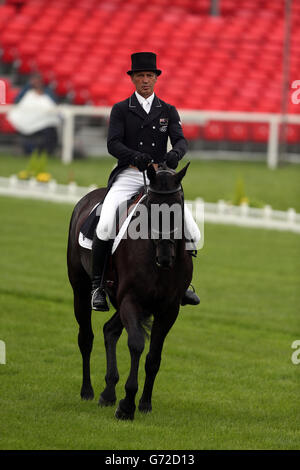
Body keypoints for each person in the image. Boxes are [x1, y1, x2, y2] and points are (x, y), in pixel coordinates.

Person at [91, 52, 201, 311]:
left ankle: (183, 285)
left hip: (160, 177)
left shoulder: (168, 110)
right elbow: (112, 143)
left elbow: (181, 139)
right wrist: (134, 156)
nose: (145, 80)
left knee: (193, 231)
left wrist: (176, 153)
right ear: (132, 79)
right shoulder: (120, 109)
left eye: (149, 76)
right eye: (140, 75)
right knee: (106, 223)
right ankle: (97, 287)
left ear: (155, 79)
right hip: (130, 173)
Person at [8, 73, 59, 155]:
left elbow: (53, 105)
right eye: (34, 81)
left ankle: (47, 151)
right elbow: (18, 103)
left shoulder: (47, 92)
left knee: (51, 131)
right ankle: (29, 150)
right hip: (27, 118)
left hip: (44, 121)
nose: (36, 82)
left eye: (37, 81)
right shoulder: (26, 92)